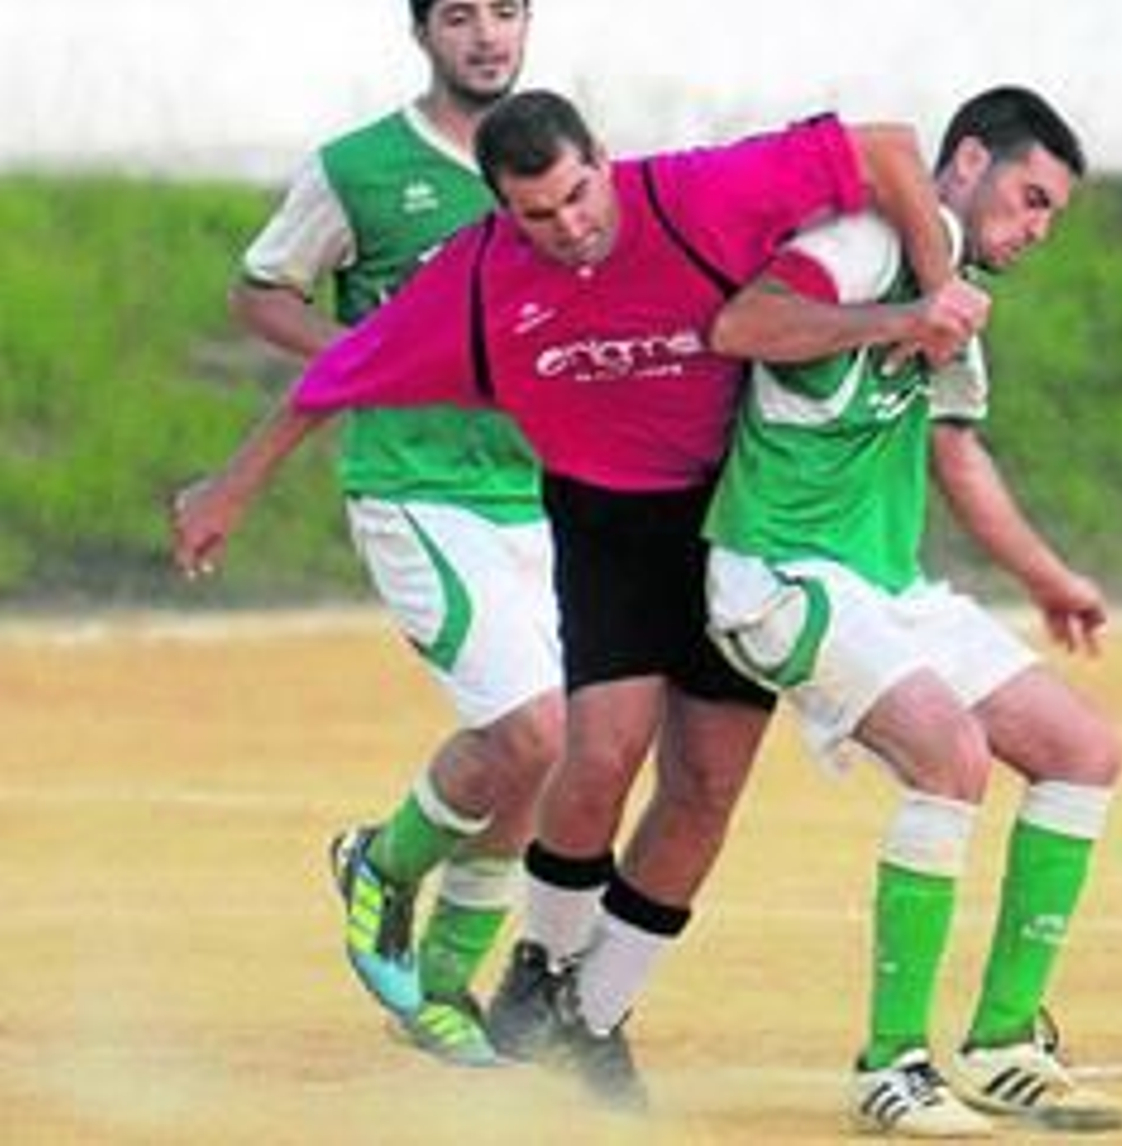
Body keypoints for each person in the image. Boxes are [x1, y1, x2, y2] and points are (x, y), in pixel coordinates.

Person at [256, 88, 985, 1107]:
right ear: (502, 211)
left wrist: (940, 292)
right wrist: (232, 487)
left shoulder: (695, 195)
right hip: (608, 523)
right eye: (538, 214)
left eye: (577, 195)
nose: (568, 225)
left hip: (734, 520)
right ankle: (538, 972)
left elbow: (889, 148)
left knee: (705, 787)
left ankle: (593, 1018)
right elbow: (349, 367)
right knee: (599, 752)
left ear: (601, 159)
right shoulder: (478, 274)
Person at [701, 86, 1122, 1137]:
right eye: (1030, 199)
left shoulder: (957, 296)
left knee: (1082, 750)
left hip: (886, 588)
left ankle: (1004, 1042)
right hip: (778, 575)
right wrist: (904, 315)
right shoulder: (863, 246)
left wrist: (1047, 578)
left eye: (1051, 215)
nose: (1036, 229)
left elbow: (955, 453)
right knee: (951, 757)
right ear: (969, 161)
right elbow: (740, 324)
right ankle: (890, 1065)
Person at [170, 0, 561, 1067]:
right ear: (422, 32)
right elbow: (261, 292)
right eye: (461, 16)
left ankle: (441, 992)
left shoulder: (557, 163)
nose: (487, 36)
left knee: (546, 756)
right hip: (413, 487)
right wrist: (372, 352)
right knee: (529, 730)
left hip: (540, 493)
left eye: (507, 12)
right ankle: (382, 866)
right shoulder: (359, 170)